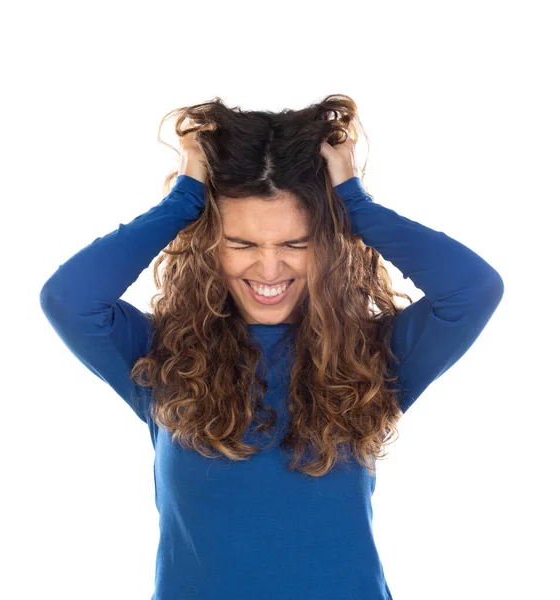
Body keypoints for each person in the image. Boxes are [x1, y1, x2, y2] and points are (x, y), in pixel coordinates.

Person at [39, 94, 504, 600]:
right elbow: (70, 298)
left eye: (295, 244)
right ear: (210, 244)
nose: (268, 269)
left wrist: (353, 204)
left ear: (327, 242)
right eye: (241, 244)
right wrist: (185, 200)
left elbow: (472, 289)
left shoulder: (374, 354)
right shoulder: (162, 355)